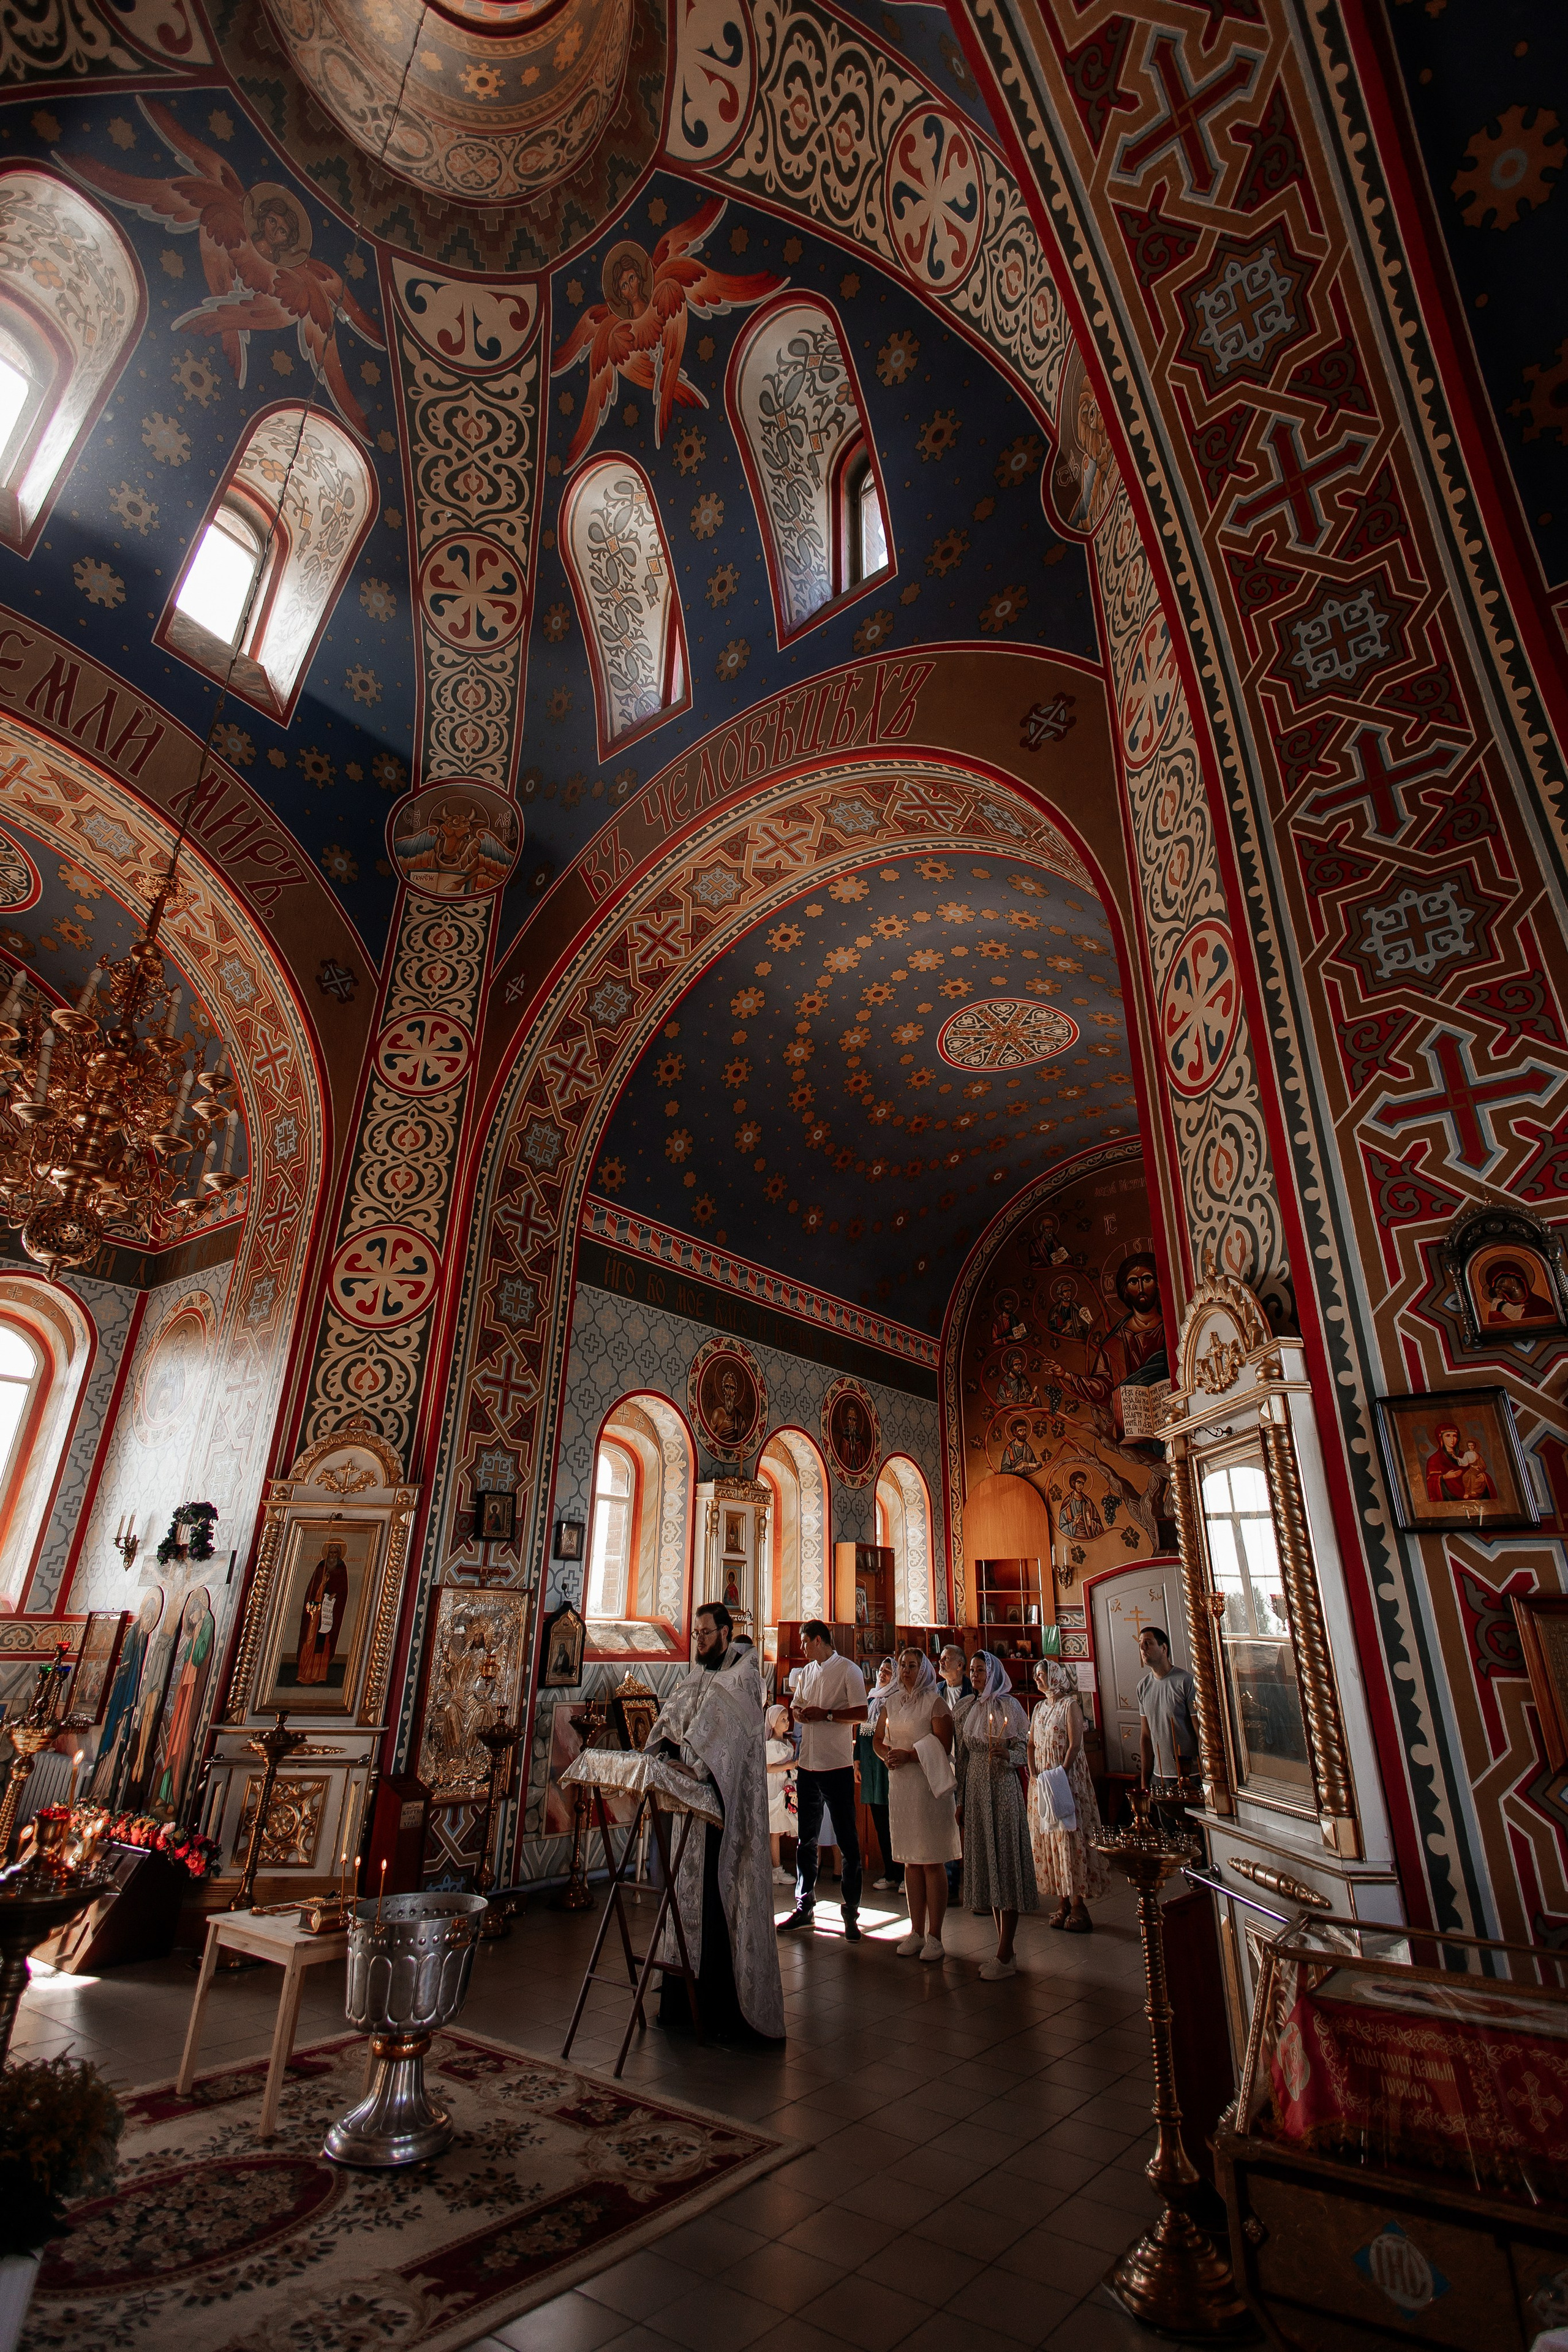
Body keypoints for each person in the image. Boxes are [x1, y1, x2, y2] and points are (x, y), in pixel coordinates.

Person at [646, 1602, 784, 2043]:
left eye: (705, 1634)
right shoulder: (700, 1676)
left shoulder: (743, 1679)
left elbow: (726, 1737)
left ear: (725, 1632)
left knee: (718, 1900)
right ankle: (682, 2006)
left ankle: (725, 2012)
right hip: (689, 1813)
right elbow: (673, 1719)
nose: (698, 1641)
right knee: (685, 1900)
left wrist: (700, 1767)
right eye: (696, 1634)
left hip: (725, 1816)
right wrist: (667, 1752)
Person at [777, 1620, 867, 1940]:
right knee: (807, 1840)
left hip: (836, 1766)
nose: (801, 1648)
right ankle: (804, 1907)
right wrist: (799, 1713)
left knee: (848, 1841)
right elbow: (798, 1705)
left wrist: (827, 1714)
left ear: (818, 1640)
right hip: (809, 1766)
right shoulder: (807, 1672)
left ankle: (851, 1913)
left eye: (804, 1642)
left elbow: (861, 1714)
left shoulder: (848, 1671)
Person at [955, 1649, 1038, 1979]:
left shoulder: (1010, 1706)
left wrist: (1009, 1753)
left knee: (1005, 1862)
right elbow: (961, 1759)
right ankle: (1003, 1947)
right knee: (987, 1865)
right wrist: (960, 1800)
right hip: (975, 1790)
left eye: (980, 1670)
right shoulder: (966, 1708)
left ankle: (1006, 1950)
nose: (975, 1676)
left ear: (993, 1673)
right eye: (972, 1671)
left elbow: (1026, 1749)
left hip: (1002, 1789)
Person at [875, 1648, 958, 1959]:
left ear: (923, 1670)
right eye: (901, 1665)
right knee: (910, 1859)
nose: (905, 1671)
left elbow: (943, 1744)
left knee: (931, 1860)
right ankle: (916, 1931)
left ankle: (936, 1936)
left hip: (927, 1788)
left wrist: (910, 1755)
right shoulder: (889, 1702)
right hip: (901, 1787)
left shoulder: (934, 1703)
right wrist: (888, 1756)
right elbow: (875, 1736)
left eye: (912, 1666)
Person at [1028, 1659, 1108, 1933]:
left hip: (1066, 1779)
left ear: (1055, 1676)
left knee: (1070, 1837)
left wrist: (1060, 1773)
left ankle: (1078, 1904)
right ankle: (1061, 1901)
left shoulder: (1069, 1705)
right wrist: (1034, 1773)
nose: (1038, 1679)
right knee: (1051, 1838)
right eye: (1036, 1676)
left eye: (1042, 1675)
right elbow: (1031, 1744)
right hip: (1043, 1781)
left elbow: (1075, 1744)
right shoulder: (1039, 1708)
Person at [1137, 1625, 1197, 1815]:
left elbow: (1200, 1732)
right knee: (1168, 1835)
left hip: (1190, 1776)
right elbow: (1146, 1736)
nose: (1143, 1648)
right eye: (1140, 1645)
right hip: (1160, 1776)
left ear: (1164, 1648)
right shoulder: (1143, 1687)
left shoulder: (1185, 1682)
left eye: (1148, 1643)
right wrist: (1145, 1780)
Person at [858, 1657, 902, 1892]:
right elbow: (862, 1732)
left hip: (887, 1769)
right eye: (881, 1670)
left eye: (887, 1671)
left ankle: (904, 1873)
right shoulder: (871, 1698)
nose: (883, 1674)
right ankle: (890, 1872)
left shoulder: (895, 1701)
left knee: (895, 1822)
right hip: (870, 1769)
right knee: (880, 1824)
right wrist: (857, 1762)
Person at [765, 1702, 796, 1885]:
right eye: (782, 1720)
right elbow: (768, 1768)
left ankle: (776, 1866)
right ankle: (776, 1869)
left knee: (779, 1829)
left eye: (787, 1719)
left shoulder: (786, 1743)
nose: (787, 1722)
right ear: (773, 1723)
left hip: (783, 1785)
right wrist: (788, 1766)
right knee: (774, 1831)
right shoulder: (771, 1745)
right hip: (774, 1788)